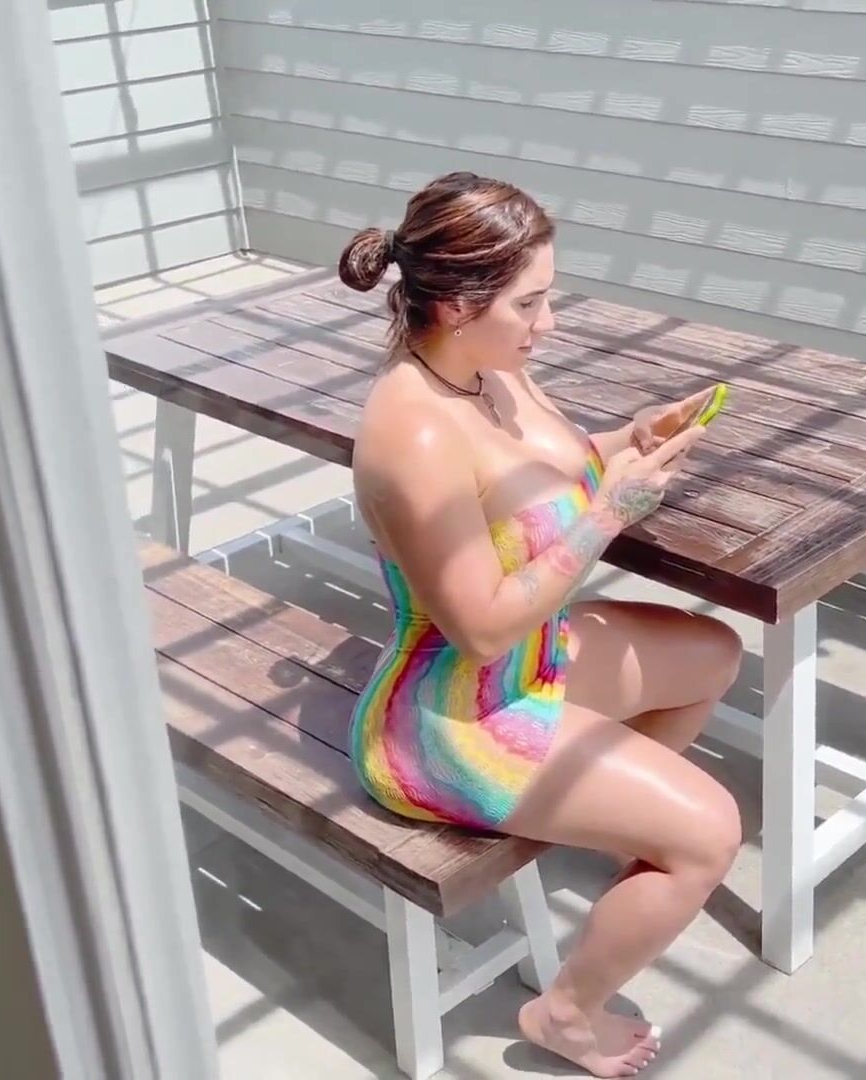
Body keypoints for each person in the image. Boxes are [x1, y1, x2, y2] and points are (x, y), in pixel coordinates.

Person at [339, 172, 743, 1078]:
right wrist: (610, 515)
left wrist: (630, 441)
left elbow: (540, 470)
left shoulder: (488, 370)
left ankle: (631, 829)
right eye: (530, 302)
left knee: (712, 653)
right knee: (712, 831)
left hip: (536, 660)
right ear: (457, 302)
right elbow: (481, 630)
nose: (548, 322)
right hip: (455, 720)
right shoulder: (415, 436)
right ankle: (564, 1012)